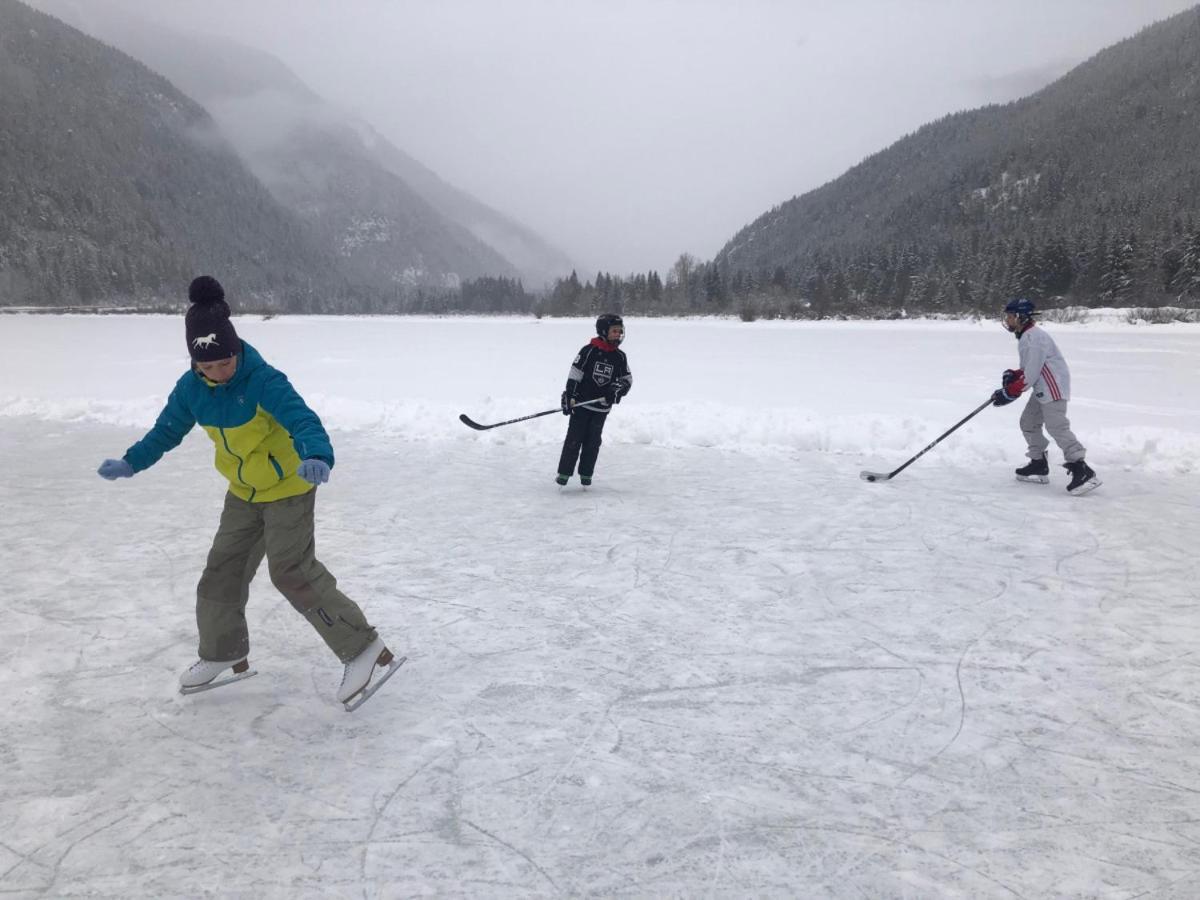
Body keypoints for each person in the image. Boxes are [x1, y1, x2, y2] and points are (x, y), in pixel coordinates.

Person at [97, 275, 397, 708]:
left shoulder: (262, 380)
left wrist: (317, 454)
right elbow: (165, 432)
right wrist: (131, 461)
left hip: (290, 487)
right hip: (243, 492)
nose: (220, 371)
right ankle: (224, 652)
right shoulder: (190, 390)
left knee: (291, 570)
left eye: (226, 361)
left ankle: (363, 646)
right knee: (221, 571)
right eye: (209, 366)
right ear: (195, 363)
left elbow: (302, 419)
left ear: (236, 348)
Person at [991, 298, 1100, 494]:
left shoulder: (1033, 338)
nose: (1006, 320)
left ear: (1020, 317)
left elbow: (1031, 374)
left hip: (1053, 386)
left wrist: (1010, 392)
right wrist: (1015, 376)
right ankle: (1038, 463)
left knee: (1056, 426)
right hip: (1043, 387)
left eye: (1009, 316)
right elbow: (1029, 369)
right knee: (1028, 423)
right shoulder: (1028, 337)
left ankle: (1082, 470)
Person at [556, 313, 633, 486]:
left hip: (601, 409)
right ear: (603, 331)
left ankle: (586, 474)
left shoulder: (620, 357)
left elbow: (627, 380)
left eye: (620, 331)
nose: (618, 334)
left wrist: (617, 389)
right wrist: (570, 395)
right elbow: (575, 375)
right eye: (614, 331)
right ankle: (564, 473)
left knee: (593, 443)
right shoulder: (588, 351)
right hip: (581, 406)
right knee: (574, 440)